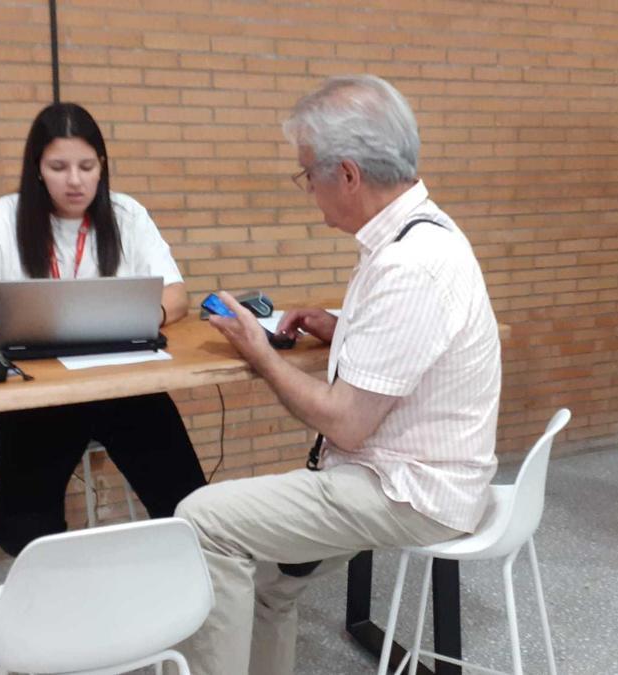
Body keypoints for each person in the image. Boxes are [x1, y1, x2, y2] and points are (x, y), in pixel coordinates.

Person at [174, 75, 502, 675]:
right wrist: (341, 327)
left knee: (201, 519)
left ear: (346, 174)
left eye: (308, 175)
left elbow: (347, 424)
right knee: (273, 583)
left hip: (409, 491)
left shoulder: (410, 264)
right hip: (426, 474)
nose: (308, 191)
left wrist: (259, 350)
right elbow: (408, 344)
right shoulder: (420, 231)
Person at [0, 102, 207, 555]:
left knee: (188, 505)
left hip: (121, 385)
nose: (75, 180)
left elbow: (176, 297)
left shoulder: (127, 214)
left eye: (87, 166)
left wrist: (139, 315)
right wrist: (53, 318)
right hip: (36, 396)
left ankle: (192, 578)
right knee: (23, 530)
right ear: (37, 169)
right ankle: (55, 591)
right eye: (59, 167)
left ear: (102, 166)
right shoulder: (6, 216)